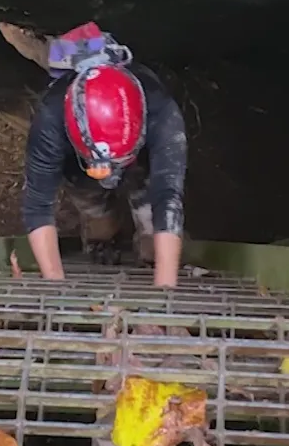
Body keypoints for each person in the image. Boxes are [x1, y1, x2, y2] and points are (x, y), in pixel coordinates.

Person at [21, 22, 188, 288]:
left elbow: (167, 196)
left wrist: (165, 290)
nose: (110, 173)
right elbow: (38, 205)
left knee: (152, 241)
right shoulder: (51, 117)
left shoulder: (162, 114)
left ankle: (143, 244)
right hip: (78, 164)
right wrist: (56, 289)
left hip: (139, 162)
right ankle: (101, 232)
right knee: (95, 209)